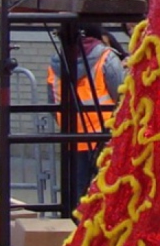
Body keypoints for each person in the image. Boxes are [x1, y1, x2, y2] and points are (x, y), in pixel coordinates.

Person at [45, 24, 124, 204]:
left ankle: (75, 227)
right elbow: (121, 93)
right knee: (103, 191)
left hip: (71, 136)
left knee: (76, 193)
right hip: (103, 135)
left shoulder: (55, 63)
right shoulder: (106, 58)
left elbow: (52, 102)